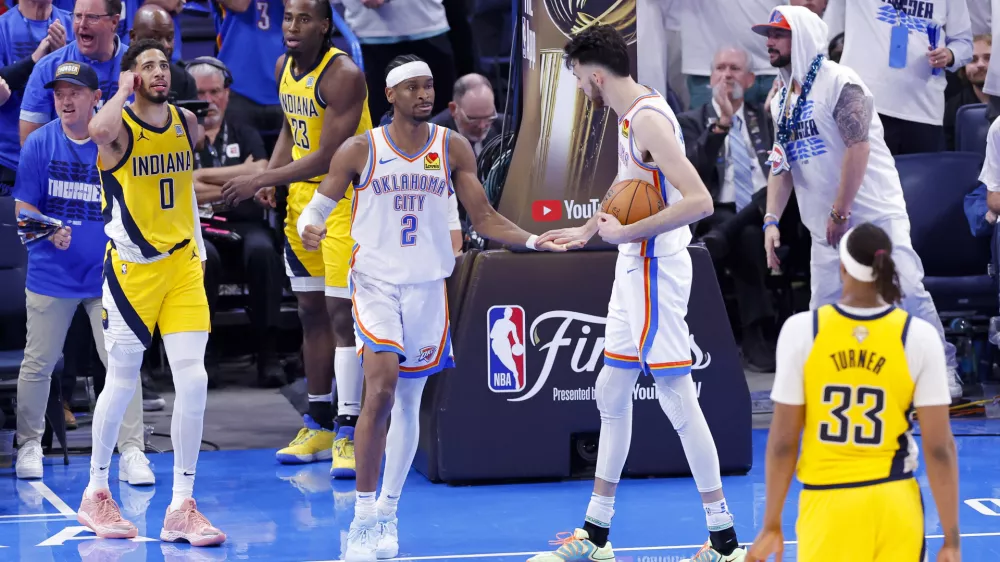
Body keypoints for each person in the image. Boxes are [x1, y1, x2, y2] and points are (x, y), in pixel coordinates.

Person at [296, 54, 573, 561]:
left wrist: (535, 242)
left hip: (428, 287)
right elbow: (317, 210)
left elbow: (484, 218)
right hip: (376, 283)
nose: (425, 94)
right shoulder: (360, 150)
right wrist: (308, 228)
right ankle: (361, 517)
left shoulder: (452, 148)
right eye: (414, 87)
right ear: (391, 95)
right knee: (378, 390)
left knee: (408, 402)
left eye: (429, 86)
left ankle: (387, 511)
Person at [532, 24, 745, 562]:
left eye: (580, 78)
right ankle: (596, 534)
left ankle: (725, 542)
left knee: (677, 398)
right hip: (636, 266)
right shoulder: (635, 113)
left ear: (597, 74)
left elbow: (698, 201)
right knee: (611, 389)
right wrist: (588, 229)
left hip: (653, 268)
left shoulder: (647, 120)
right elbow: (631, 184)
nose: (581, 89)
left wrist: (625, 233)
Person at [755, 5, 964, 398]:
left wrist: (840, 210)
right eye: (768, 35)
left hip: (872, 211)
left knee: (907, 291)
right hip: (826, 226)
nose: (769, 42)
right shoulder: (780, 98)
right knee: (826, 308)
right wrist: (770, 220)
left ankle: (942, 371)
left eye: (777, 34)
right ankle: (836, 383)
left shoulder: (841, 81)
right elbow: (781, 164)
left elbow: (859, 149)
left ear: (802, 38)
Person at [77, 39, 224, 546]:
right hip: (132, 271)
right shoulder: (116, 127)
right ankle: (96, 490)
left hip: (182, 263)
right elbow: (94, 130)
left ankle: (182, 505)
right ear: (131, 77)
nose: (160, 73)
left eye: (164, 65)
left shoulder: (184, 122)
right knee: (121, 380)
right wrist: (119, 89)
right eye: (148, 67)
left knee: (195, 378)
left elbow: (185, 184)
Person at [221, 0, 372, 477]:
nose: (291, 26)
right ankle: (320, 420)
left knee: (340, 313)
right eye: (288, 17)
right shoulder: (284, 65)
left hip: (344, 202)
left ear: (325, 26)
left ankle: (350, 429)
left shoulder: (343, 74)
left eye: (303, 18)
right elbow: (291, 123)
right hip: (301, 204)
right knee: (309, 312)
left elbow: (331, 156)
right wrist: (270, 175)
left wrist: (257, 179)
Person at [746, 222, 959, 562]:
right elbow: (939, 448)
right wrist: (950, 539)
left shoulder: (803, 330)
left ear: (842, 267)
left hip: (828, 505)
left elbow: (784, 442)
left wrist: (771, 523)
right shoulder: (916, 335)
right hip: (895, 500)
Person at [12, 61, 151, 485]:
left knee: (122, 363)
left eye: (74, 93)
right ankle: (29, 444)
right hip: (51, 276)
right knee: (37, 363)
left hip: (107, 275)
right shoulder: (39, 143)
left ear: (96, 99)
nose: (65, 101)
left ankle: (131, 451)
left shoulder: (116, 141)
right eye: (59, 94)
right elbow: (22, 214)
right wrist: (50, 229)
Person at [186, 56, 284, 387]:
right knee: (204, 260)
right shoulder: (178, 135)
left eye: (215, 92)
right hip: (200, 229)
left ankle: (268, 353)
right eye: (201, 93)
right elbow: (185, 190)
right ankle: (206, 354)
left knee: (263, 251)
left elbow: (261, 171)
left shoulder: (244, 131)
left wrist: (201, 176)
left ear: (226, 94)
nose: (209, 101)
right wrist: (236, 182)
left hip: (245, 225)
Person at [678, 45, 777, 372]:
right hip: (717, 211)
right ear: (710, 78)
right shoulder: (691, 121)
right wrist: (720, 127)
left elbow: (784, 168)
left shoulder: (766, 117)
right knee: (748, 236)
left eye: (735, 69)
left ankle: (739, 339)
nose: (727, 75)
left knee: (768, 196)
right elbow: (694, 173)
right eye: (720, 68)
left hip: (771, 208)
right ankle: (753, 336)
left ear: (749, 80)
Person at [20, 0, 126, 143]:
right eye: (77, 16)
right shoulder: (47, 67)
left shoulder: (138, 65)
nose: (82, 24)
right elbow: (31, 144)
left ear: (114, 22)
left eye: (92, 17)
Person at [0, 0, 71, 194]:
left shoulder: (74, 24)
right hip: (9, 162)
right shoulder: (3, 27)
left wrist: (61, 56)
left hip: (64, 162)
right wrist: (34, 60)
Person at [128, 3, 197, 102]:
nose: (166, 45)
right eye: (156, 38)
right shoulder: (116, 75)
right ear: (133, 37)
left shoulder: (183, 80)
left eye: (169, 38)